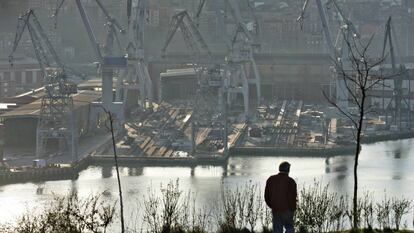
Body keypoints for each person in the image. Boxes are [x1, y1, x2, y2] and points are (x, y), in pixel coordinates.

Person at [264, 161, 297, 233]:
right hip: (288, 209)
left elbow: (266, 196)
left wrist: (272, 205)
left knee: (277, 229)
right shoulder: (291, 181)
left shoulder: (271, 179)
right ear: (288, 170)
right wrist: (293, 209)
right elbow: (293, 197)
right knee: (289, 227)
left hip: (275, 209)